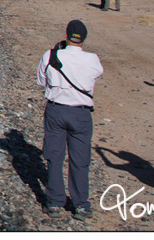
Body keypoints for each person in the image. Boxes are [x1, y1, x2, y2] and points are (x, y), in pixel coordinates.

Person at [37, 20, 104, 222]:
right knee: (80, 161)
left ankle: (54, 202)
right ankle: (81, 205)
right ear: (83, 38)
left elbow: (41, 81)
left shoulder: (50, 55)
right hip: (81, 114)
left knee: (54, 157)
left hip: (56, 110)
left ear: (66, 35)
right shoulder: (93, 59)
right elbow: (94, 80)